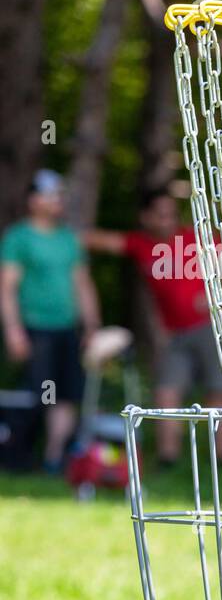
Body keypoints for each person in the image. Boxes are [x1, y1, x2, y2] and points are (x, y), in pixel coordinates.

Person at [83, 188, 222, 464]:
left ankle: (220, 458)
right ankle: (168, 458)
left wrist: (219, 296)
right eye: (160, 214)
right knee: (166, 388)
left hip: (212, 327)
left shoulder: (198, 238)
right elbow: (100, 240)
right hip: (175, 333)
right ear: (146, 217)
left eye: (171, 214)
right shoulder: (141, 244)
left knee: (218, 390)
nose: (167, 219)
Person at [0, 170, 101, 473]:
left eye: (60, 194)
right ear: (34, 200)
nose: (58, 200)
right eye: (51, 194)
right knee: (38, 393)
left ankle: (54, 459)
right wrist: (13, 330)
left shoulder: (68, 239)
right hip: (35, 328)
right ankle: (17, 458)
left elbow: (82, 284)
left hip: (66, 328)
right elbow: (7, 288)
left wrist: (92, 325)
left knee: (67, 394)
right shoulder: (19, 237)